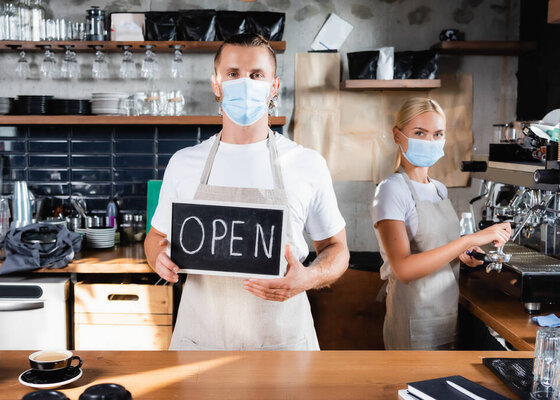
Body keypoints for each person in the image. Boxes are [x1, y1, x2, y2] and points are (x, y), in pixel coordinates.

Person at [144, 33, 349, 351]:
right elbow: (155, 238)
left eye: (256, 75)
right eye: (233, 74)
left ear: (273, 87)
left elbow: (337, 249)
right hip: (200, 342)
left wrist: (308, 278)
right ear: (216, 84)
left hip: (283, 342)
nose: (245, 84)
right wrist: (157, 258)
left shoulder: (307, 164)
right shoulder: (184, 164)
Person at [372, 97, 511, 350]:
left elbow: (439, 249)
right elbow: (403, 269)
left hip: (447, 313)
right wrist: (468, 240)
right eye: (419, 133)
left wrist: (465, 254)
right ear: (397, 135)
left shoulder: (438, 190)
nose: (430, 141)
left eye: (437, 134)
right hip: (414, 318)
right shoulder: (391, 190)